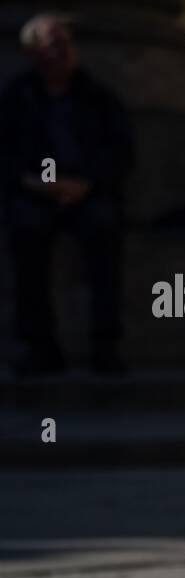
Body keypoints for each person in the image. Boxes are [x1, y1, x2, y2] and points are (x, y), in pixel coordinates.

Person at [0, 13, 133, 377]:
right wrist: (35, 184)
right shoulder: (17, 96)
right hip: (34, 192)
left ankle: (105, 345)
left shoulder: (96, 95)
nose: (63, 51)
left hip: (87, 191)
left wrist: (86, 184)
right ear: (31, 52)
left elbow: (120, 151)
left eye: (66, 42)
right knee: (25, 231)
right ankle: (39, 346)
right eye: (52, 43)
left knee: (105, 229)